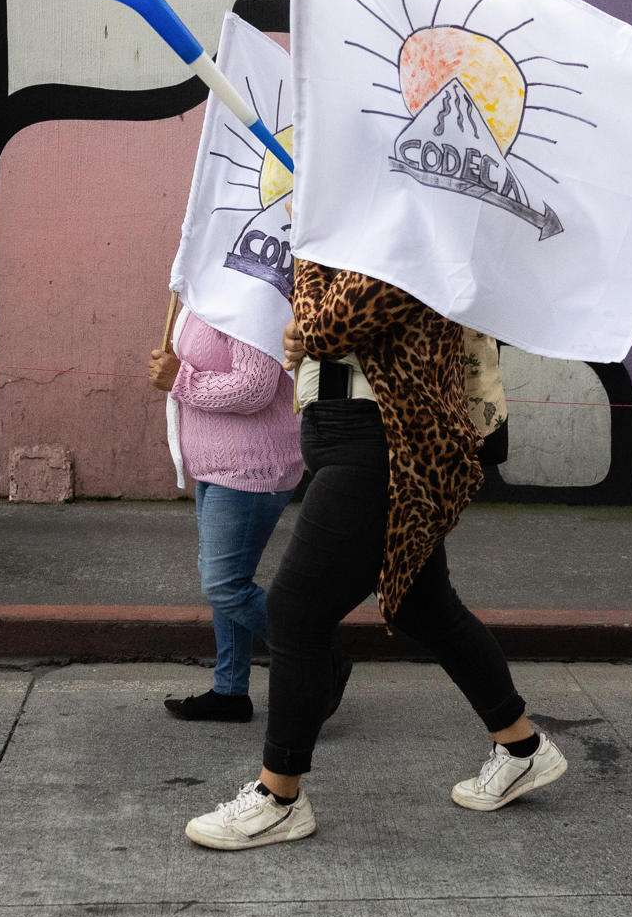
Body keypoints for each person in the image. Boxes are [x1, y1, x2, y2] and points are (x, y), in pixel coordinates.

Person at [185, 262, 565, 850]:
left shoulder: (397, 208)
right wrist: (307, 321)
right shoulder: (349, 213)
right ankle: (521, 746)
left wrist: (306, 327)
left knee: (293, 612)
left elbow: (346, 315)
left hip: (380, 436)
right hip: (350, 433)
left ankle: (280, 796)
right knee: (423, 604)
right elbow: (323, 320)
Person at [149, 310, 302, 722]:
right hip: (216, 464)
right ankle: (230, 691)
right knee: (232, 581)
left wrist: (180, 380)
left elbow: (255, 387)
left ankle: (316, 653)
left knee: (224, 585)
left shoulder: (249, 293)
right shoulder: (205, 292)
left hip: (250, 466)